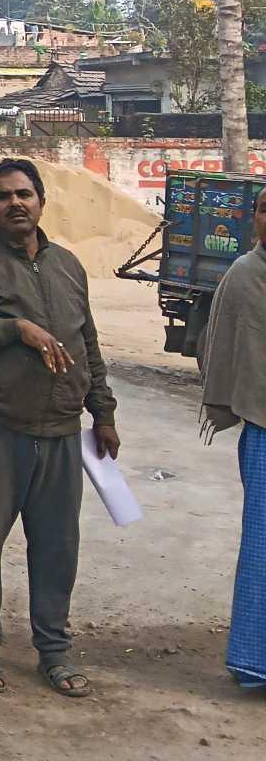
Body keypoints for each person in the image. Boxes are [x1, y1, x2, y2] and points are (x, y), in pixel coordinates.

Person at [0, 157, 119, 699]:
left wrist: (103, 412)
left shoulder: (68, 266)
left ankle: (54, 652)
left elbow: (87, 343)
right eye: (2, 196)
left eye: (24, 194)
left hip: (61, 428)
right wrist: (14, 328)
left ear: (41, 200)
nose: (15, 203)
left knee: (58, 546)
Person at [197, 185, 266, 690]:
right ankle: (257, 662)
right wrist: (223, 401)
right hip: (264, 428)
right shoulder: (244, 275)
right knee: (263, 549)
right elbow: (220, 343)